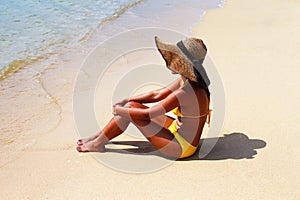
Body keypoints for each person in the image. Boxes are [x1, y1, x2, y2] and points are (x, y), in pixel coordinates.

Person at [77, 36, 211, 159]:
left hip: (182, 148)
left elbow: (148, 114)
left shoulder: (186, 92)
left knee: (129, 111)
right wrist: (129, 100)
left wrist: (120, 110)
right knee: (130, 107)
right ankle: (99, 137)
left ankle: (98, 143)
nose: (170, 60)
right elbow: (157, 94)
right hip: (178, 131)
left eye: (174, 58)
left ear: (182, 63)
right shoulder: (188, 82)